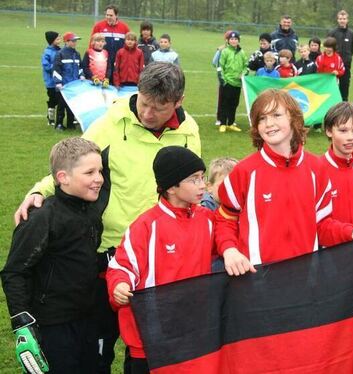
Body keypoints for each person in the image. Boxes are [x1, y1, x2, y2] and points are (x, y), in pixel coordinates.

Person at [14, 62, 201, 373]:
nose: (148, 114)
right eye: (144, 103)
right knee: (99, 349)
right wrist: (38, 190)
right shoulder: (111, 123)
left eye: (159, 107)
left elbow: (191, 179)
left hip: (160, 259)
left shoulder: (190, 131)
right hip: (109, 256)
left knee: (150, 351)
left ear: (178, 102)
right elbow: (74, 162)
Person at [214, 89, 353, 275]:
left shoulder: (316, 169)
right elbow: (225, 218)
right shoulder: (245, 171)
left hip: (306, 279)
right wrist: (229, 249)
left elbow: (323, 225)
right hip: (257, 279)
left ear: (294, 118)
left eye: (276, 115)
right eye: (261, 118)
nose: (269, 124)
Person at [107, 146, 216, 374]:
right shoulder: (146, 226)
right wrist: (120, 285)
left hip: (193, 334)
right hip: (150, 341)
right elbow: (122, 265)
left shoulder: (207, 219)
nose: (203, 185)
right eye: (194, 179)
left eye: (203, 177)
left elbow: (230, 239)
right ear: (171, 187)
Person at [2, 137, 103, 374]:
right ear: (62, 177)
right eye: (90, 172)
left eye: (100, 170)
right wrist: (22, 322)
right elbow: (15, 271)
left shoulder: (92, 212)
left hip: (87, 318)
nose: (99, 178)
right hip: (53, 325)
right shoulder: (41, 218)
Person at [216, 31, 247, 133]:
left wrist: (243, 74)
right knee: (224, 103)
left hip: (237, 84)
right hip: (227, 82)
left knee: (234, 104)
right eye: (232, 39)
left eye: (235, 39)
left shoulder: (242, 52)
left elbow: (245, 66)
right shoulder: (225, 52)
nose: (234, 41)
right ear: (228, 41)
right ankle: (223, 123)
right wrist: (223, 80)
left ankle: (231, 123)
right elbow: (220, 66)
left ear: (238, 41)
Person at [90, 4, 130, 84]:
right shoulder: (99, 26)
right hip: (102, 62)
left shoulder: (124, 27)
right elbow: (92, 43)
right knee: (103, 83)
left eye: (111, 15)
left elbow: (128, 44)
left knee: (117, 83)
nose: (108, 17)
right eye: (107, 15)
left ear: (116, 15)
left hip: (119, 61)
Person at [54, 31, 85, 131]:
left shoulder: (77, 54)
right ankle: (59, 123)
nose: (75, 43)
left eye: (75, 41)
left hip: (74, 85)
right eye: (73, 41)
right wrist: (58, 82)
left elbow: (80, 67)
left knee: (72, 105)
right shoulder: (60, 54)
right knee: (61, 105)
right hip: (64, 85)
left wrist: (81, 76)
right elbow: (56, 69)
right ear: (66, 42)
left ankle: (70, 123)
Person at [327, 10, 353, 101]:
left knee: (344, 90)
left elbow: (352, 48)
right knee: (332, 90)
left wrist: (348, 59)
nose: (342, 20)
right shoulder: (332, 33)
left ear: (347, 20)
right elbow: (328, 48)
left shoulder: (351, 34)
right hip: (333, 67)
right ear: (337, 20)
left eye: (344, 19)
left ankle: (343, 112)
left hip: (346, 67)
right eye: (340, 19)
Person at [42, 31, 61, 127]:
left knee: (59, 100)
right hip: (51, 82)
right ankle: (51, 119)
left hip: (60, 81)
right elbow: (46, 66)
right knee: (53, 100)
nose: (60, 40)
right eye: (57, 38)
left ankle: (58, 118)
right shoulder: (47, 52)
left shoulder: (60, 50)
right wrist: (56, 67)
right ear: (52, 41)